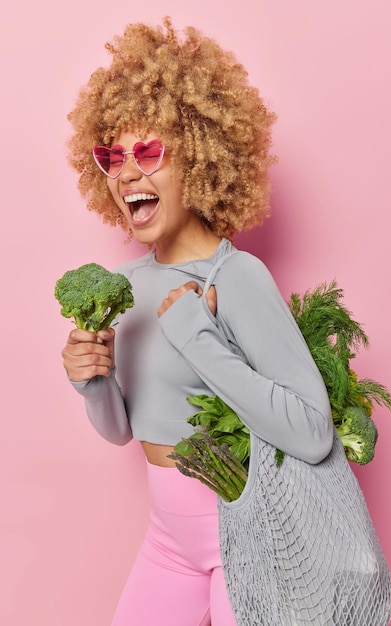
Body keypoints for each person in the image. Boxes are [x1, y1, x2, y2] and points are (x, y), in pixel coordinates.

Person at [61, 17, 334, 626]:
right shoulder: (125, 289)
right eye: (113, 157)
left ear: (203, 153)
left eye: (150, 151)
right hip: (168, 539)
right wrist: (94, 383)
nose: (129, 172)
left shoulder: (237, 278)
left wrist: (199, 337)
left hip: (245, 538)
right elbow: (124, 433)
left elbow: (314, 431)